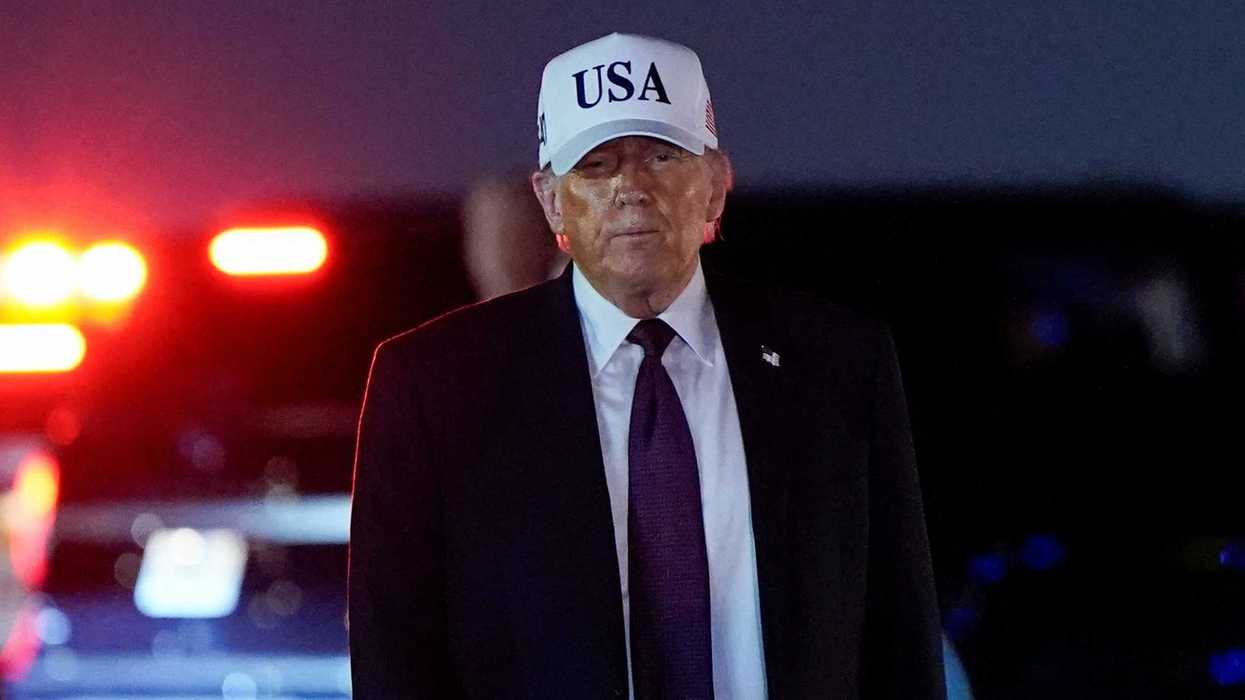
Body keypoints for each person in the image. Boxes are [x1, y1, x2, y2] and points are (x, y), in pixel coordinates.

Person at [349, 32, 945, 699]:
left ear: (717, 186)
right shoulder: (435, 386)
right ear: (551, 201)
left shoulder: (836, 362)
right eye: (597, 165)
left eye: (661, 156)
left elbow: (898, 631)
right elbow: (396, 659)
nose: (631, 188)